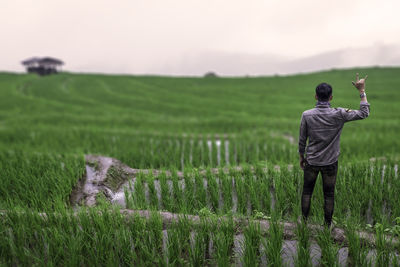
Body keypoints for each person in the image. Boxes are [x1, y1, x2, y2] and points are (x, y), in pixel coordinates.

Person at [298, 73, 370, 227]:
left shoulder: (307, 115)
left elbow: (302, 139)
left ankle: (303, 223)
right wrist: (361, 90)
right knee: (329, 195)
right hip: (330, 163)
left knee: (306, 192)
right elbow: (364, 113)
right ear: (331, 97)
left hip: (311, 161)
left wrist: (301, 157)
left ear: (315, 96)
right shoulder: (339, 114)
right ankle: (327, 226)